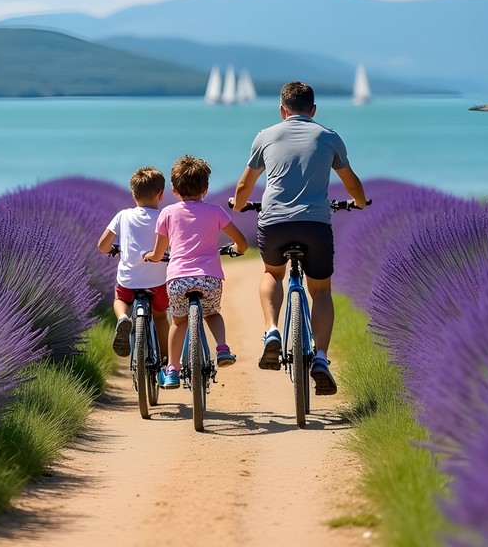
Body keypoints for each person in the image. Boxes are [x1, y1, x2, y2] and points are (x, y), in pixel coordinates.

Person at [231, 81, 366, 395]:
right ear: (313, 110)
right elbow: (352, 184)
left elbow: (242, 188)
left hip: (275, 223)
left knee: (271, 273)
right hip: (315, 225)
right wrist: (359, 202)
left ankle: (272, 331)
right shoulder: (329, 137)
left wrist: (238, 206)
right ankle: (320, 357)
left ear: (282, 110)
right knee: (320, 290)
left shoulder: (265, 136)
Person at [143, 155, 247, 389]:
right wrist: (238, 250)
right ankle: (222, 349)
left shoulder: (167, 213)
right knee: (212, 314)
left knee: (178, 323)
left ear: (174, 189)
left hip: (178, 279)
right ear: (206, 188)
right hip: (209, 279)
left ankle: (172, 370)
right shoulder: (216, 212)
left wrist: (151, 257)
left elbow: (159, 253)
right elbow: (242, 242)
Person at [96, 166, 169, 360]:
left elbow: (102, 245)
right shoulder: (164, 217)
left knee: (120, 299)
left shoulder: (123, 215)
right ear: (161, 194)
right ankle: (166, 360)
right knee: (161, 316)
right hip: (158, 282)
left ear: (133, 194)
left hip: (129, 281)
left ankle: (122, 318)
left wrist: (113, 249)